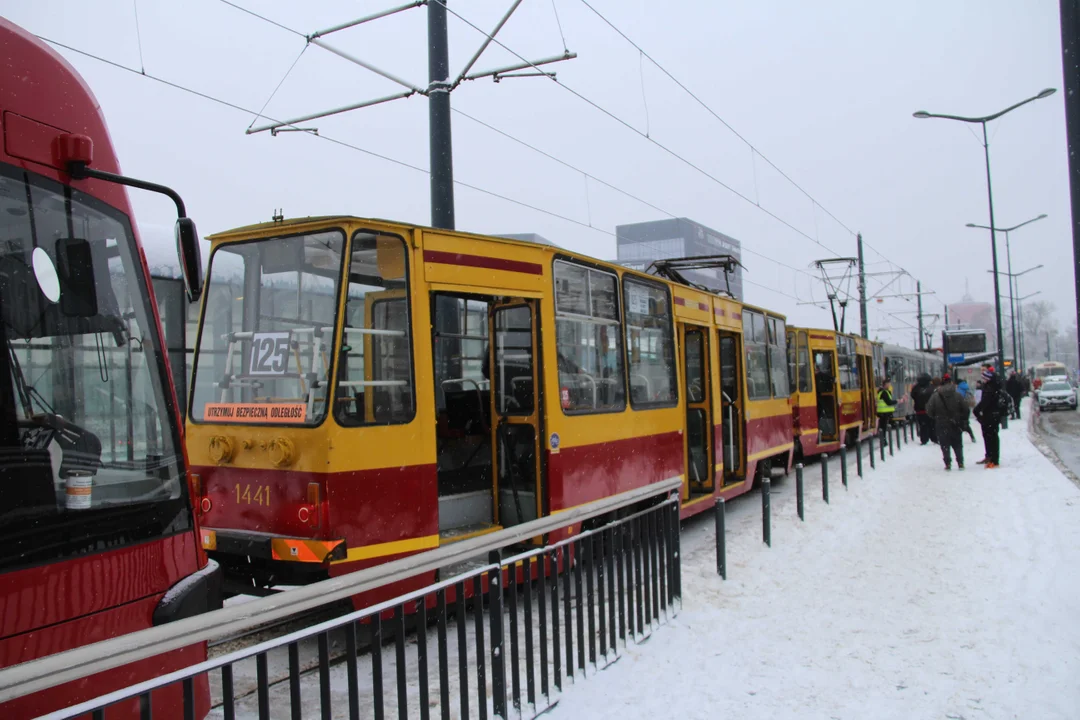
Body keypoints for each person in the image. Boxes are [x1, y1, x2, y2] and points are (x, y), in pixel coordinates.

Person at [927, 373, 970, 470]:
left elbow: (929, 410)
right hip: (955, 423)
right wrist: (962, 418)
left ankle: (947, 463)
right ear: (951, 382)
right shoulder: (958, 395)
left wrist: (937, 417)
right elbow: (966, 409)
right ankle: (960, 462)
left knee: (944, 444)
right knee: (958, 444)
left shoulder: (935, 396)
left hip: (941, 423)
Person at [973, 366, 1003, 468]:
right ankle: (990, 456)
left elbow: (985, 402)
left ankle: (994, 460)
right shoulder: (991, 387)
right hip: (991, 415)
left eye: (984, 378)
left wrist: (977, 410)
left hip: (991, 416)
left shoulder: (990, 388)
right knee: (989, 436)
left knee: (991, 437)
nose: (983, 380)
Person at [911, 373, 935, 445]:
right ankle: (934, 438)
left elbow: (913, 395)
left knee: (923, 426)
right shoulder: (931, 387)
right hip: (930, 410)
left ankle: (924, 439)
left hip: (919, 410)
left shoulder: (916, 387)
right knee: (932, 425)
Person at [956, 377, 977, 443]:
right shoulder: (966, 387)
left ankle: (958, 438)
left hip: (961, 408)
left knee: (959, 423)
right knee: (965, 422)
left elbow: (958, 400)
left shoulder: (959, 389)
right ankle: (972, 436)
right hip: (967, 408)